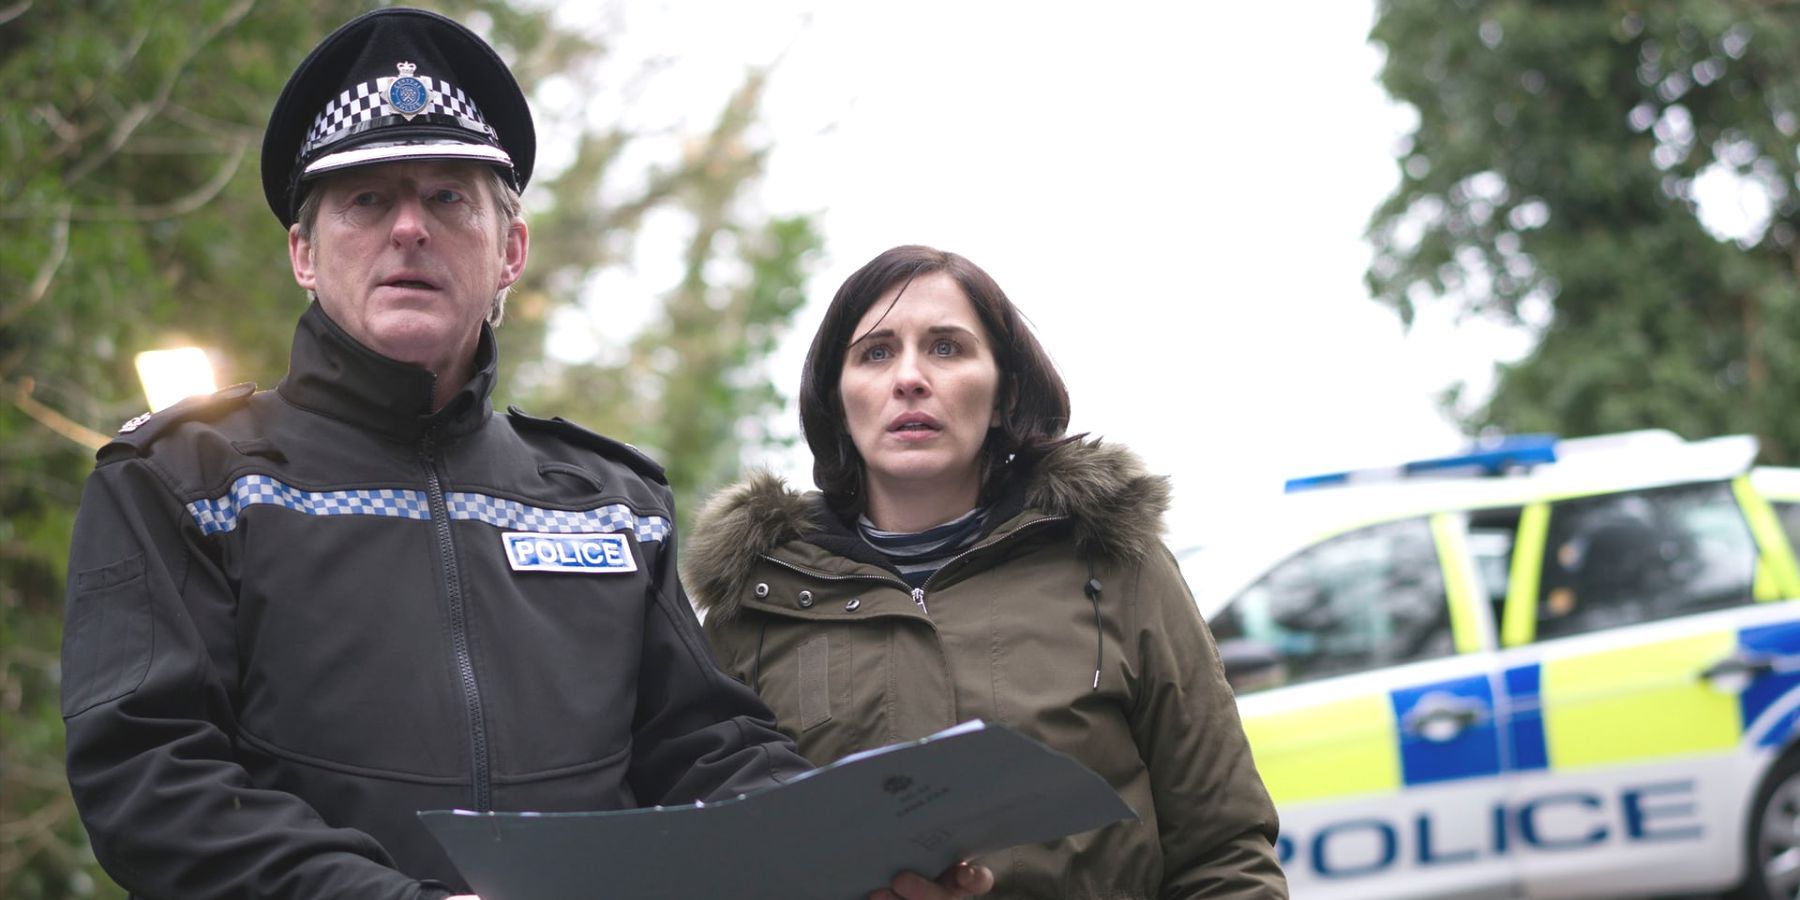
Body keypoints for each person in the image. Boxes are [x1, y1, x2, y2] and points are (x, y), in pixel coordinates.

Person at [59, 10, 989, 900]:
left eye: (449, 197)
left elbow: (703, 750)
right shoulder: (184, 481)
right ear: (304, 253)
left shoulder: (608, 502)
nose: (410, 229)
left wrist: (857, 854)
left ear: (512, 249)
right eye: (367, 200)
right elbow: (152, 778)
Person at [686, 245, 1289, 898]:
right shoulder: (756, 605)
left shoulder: (1116, 566)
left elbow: (1225, 853)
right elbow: (712, 866)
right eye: (876, 352)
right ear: (836, 401)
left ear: (1003, 394)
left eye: (946, 348)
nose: (910, 378)